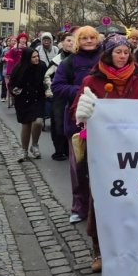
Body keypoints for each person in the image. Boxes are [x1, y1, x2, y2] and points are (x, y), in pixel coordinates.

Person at [72, 34, 138, 273]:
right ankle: (99, 249)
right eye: (118, 52)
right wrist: (83, 112)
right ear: (108, 53)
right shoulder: (91, 79)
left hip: (131, 146)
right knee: (101, 199)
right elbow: (77, 109)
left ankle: (131, 246)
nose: (123, 56)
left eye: (126, 52)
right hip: (103, 148)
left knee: (132, 198)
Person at [51, 26, 102, 223]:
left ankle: (101, 207)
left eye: (92, 38)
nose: (89, 41)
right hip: (77, 122)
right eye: (84, 38)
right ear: (78, 41)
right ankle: (79, 208)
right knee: (79, 168)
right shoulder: (69, 62)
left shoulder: (105, 60)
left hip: (103, 121)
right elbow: (57, 86)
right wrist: (81, 92)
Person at [9, 48, 48, 162]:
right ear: (27, 58)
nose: (36, 59)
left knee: (38, 122)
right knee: (26, 125)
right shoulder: (19, 67)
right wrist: (14, 91)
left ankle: (34, 144)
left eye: (37, 56)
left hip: (38, 98)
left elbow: (47, 80)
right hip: (23, 99)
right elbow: (11, 84)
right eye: (33, 57)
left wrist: (48, 89)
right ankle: (24, 150)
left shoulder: (42, 66)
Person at [45, 31, 75, 161]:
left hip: (73, 95)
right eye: (68, 40)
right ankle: (59, 150)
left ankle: (72, 150)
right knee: (58, 122)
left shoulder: (78, 58)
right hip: (59, 97)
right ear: (62, 43)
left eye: (73, 40)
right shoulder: (57, 60)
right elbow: (47, 76)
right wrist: (50, 92)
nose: (71, 43)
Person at [4, 33, 29, 107]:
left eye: (25, 39)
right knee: (15, 85)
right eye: (22, 38)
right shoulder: (14, 49)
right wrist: (9, 70)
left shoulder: (27, 48)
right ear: (19, 40)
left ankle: (23, 99)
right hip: (15, 70)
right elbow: (9, 58)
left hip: (25, 70)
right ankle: (14, 97)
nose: (23, 40)